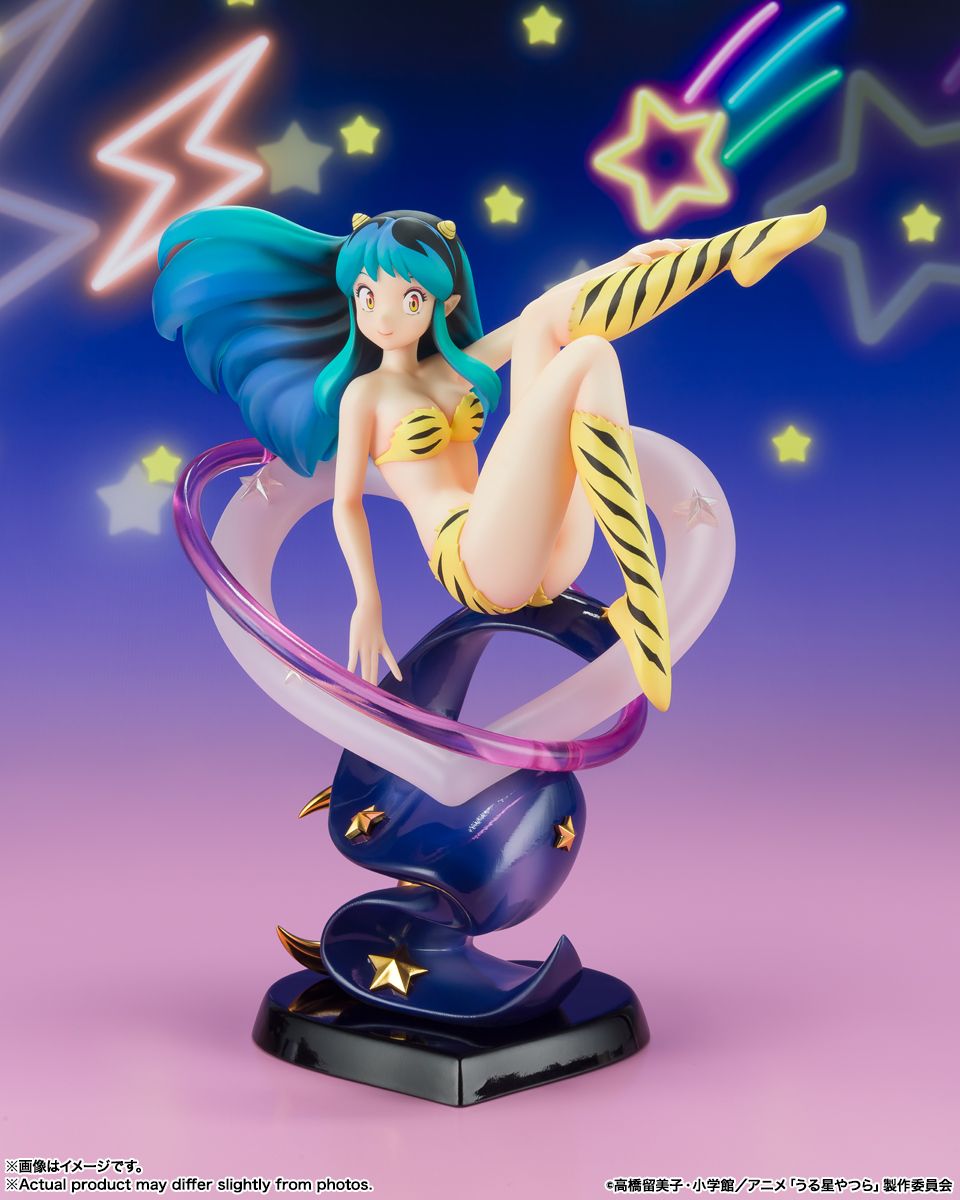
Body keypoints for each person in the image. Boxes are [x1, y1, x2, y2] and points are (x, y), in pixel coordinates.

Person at [154, 204, 825, 713]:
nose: (383, 316)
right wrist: (367, 600)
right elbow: (347, 504)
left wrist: (626, 262)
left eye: (407, 299)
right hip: (476, 563)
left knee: (547, 326)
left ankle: (730, 250)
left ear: (441, 303)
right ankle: (643, 603)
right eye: (367, 296)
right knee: (589, 358)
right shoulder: (364, 395)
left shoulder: (453, 372)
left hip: (540, 552)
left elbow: (547, 315)